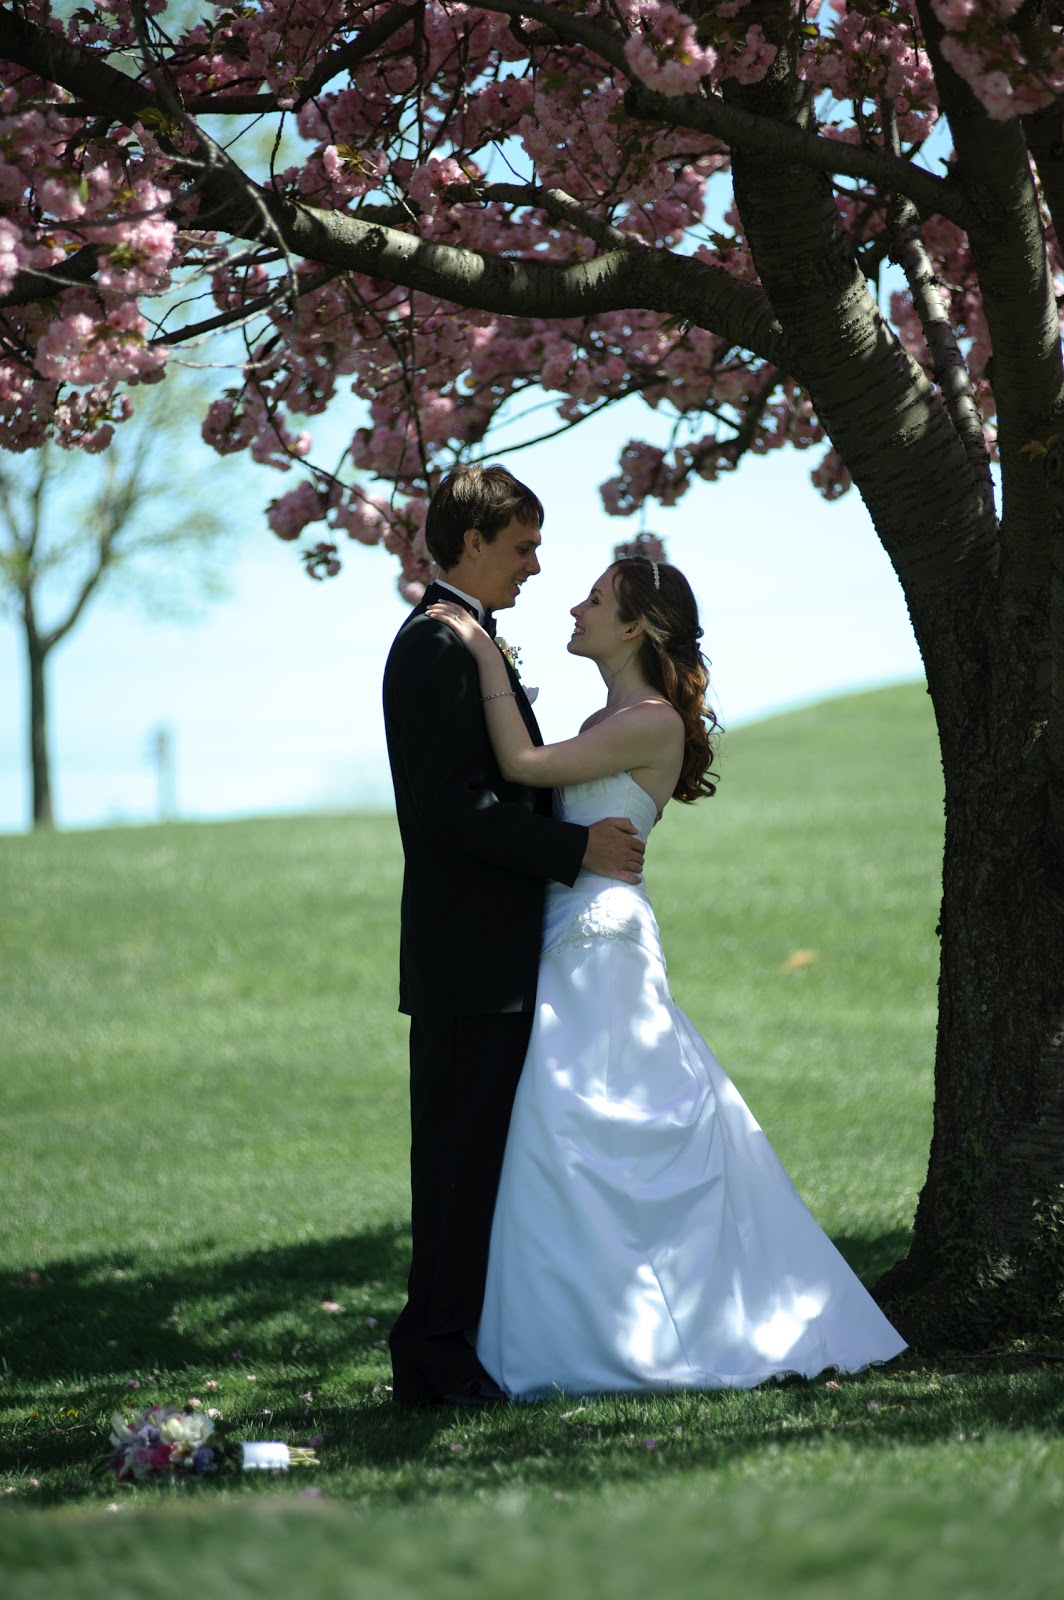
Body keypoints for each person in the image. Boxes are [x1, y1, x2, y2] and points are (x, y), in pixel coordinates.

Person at [427, 556, 907, 1398]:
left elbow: (523, 771)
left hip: (600, 943)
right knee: (564, 1134)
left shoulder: (650, 720)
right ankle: (579, 1325)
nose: (575, 607)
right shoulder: (604, 714)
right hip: (563, 929)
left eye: (595, 600)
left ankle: (659, 1323)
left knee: (604, 1124)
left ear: (634, 628)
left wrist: (481, 654)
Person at [382, 464, 647, 1410]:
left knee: (483, 1164)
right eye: (524, 547)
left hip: (499, 952)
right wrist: (574, 847)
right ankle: (433, 1360)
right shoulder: (435, 647)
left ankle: (460, 1347)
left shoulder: (470, 640)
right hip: (466, 957)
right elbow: (452, 808)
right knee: (454, 1167)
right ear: (472, 542)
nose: (536, 566)